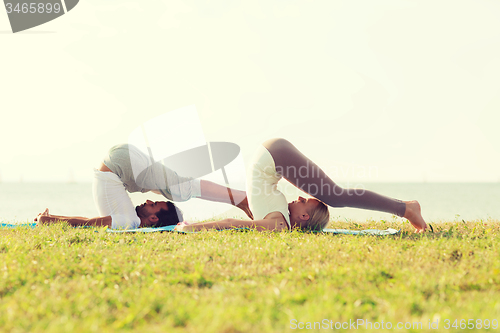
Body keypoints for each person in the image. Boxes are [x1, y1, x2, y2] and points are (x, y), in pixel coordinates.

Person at [175, 138, 428, 233]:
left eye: (303, 200)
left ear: (304, 215)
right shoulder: (279, 218)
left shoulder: (279, 224)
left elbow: (232, 225)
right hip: (274, 156)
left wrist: (193, 228)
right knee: (335, 197)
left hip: (273, 155)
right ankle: (405, 208)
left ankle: (407, 207)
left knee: (335, 197)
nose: (298, 197)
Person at [35, 144, 253, 229]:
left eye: (154, 205)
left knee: (176, 189)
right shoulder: (127, 219)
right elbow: (86, 223)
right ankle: (242, 198)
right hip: (123, 163)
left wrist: (50, 219)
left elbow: (87, 222)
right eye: (154, 203)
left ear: (154, 219)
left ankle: (241, 198)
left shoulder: (128, 220)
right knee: (179, 189)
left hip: (122, 164)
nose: (148, 201)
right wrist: (50, 220)